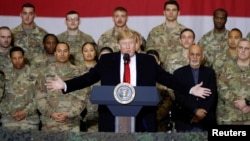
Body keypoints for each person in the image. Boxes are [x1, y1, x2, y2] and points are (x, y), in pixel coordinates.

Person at [45, 29, 212, 132]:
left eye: (130, 43)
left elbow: (166, 78)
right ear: (118, 45)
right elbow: (89, 78)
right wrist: (66, 85)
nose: (127, 47)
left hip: (142, 119)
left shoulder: (147, 61)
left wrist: (190, 89)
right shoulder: (107, 60)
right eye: (124, 44)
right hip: (111, 118)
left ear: (137, 44)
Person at [36, 42, 89, 132]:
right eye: (59, 51)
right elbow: (40, 98)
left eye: (65, 51)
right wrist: (51, 113)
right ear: (55, 53)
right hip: (49, 123)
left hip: (71, 123)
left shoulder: (78, 73)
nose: (62, 54)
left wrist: (68, 114)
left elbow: (82, 98)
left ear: (69, 53)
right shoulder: (44, 73)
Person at [172, 44, 218, 132]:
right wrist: (195, 110)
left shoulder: (210, 73)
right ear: (188, 55)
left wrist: (202, 112)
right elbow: (179, 96)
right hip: (185, 120)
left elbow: (213, 95)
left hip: (206, 119)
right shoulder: (178, 73)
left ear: (202, 56)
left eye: (198, 54)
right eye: (192, 54)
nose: (195, 57)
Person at [0, 46, 41, 130]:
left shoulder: (36, 74)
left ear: (24, 57)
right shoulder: (3, 75)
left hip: (30, 119)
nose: (17, 61)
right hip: (9, 119)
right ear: (10, 59)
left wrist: (25, 111)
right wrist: (10, 111)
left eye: (20, 58)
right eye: (14, 58)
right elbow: (1, 98)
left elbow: (40, 97)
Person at [217, 38, 250, 125]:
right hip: (230, 117)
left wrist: (247, 102)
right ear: (237, 49)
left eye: (246, 48)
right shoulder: (226, 66)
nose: (243, 51)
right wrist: (237, 102)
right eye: (240, 47)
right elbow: (221, 87)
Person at [146, 0, 186, 68]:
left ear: (178, 13)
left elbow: (190, 52)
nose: (170, 13)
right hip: (159, 71)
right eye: (168, 10)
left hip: (178, 70)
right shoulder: (155, 32)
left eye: (173, 10)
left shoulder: (185, 32)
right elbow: (149, 52)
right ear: (164, 12)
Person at [146, 49, 174, 132]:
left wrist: (155, 116)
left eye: (154, 60)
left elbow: (168, 101)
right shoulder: (139, 79)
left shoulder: (165, 79)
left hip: (161, 124)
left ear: (158, 62)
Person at [79, 42, 99, 132]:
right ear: (82, 53)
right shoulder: (76, 70)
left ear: (95, 52)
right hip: (79, 111)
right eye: (86, 51)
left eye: (91, 50)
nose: (89, 53)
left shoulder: (101, 68)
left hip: (97, 111)